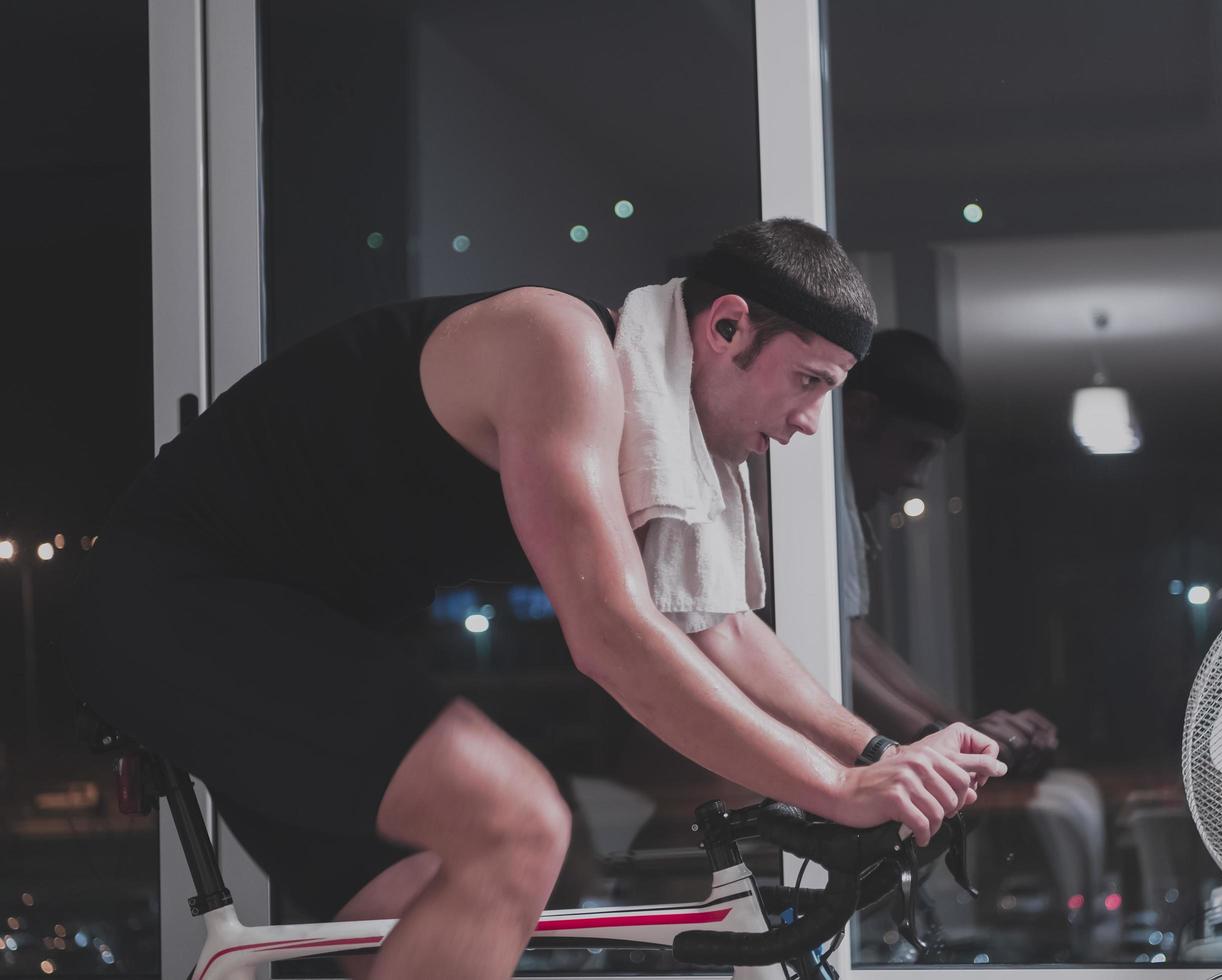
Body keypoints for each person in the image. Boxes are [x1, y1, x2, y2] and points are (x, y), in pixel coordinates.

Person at [63, 218, 1006, 980]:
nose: (809, 423)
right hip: (181, 597)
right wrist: (838, 789)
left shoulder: (662, 437)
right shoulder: (559, 348)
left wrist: (882, 752)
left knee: (448, 900)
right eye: (808, 383)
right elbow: (612, 635)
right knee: (519, 824)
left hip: (287, 635)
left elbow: (715, 629)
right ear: (725, 328)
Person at [839, 329, 1059, 777]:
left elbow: (853, 638)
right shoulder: (808, 501)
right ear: (860, 412)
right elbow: (835, 652)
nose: (916, 478)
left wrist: (957, 728)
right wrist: (936, 735)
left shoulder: (839, 504)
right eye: (914, 450)